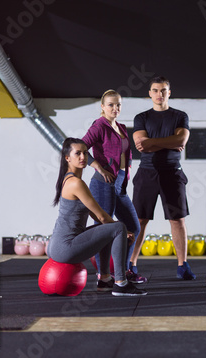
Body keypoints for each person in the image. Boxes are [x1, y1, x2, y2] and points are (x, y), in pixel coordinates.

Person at [47, 138, 147, 297]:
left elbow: (97, 215)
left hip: (56, 246)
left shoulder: (69, 179)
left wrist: (113, 228)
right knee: (118, 227)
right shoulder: (76, 183)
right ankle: (121, 283)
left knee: (109, 229)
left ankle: (105, 279)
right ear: (67, 158)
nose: (83, 157)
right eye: (77, 153)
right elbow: (101, 215)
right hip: (65, 248)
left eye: (86, 153)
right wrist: (123, 231)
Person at [131, 76, 196, 280]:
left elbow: (181, 139)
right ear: (150, 93)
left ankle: (182, 265)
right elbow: (141, 144)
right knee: (139, 220)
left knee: (177, 220)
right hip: (146, 172)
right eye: (156, 90)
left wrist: (153, 142)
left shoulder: (180, 116)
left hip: (172, 172)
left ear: (170, 92)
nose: (160, 94)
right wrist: (170, 142)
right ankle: (130, 263)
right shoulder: (141, 118)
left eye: (163, 90)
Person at [82, 90, 145, 284]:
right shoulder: (99, 126)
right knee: (104, 230)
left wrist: (123, 178)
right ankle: (104, 276)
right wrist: (99, 168)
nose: (115, 108)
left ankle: (124, 271)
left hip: (120, 183)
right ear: (102, 107)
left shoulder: (122, 127)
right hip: (103, 184)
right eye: (110, 105)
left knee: (133, 226)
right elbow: (81, 148)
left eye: (118, 105)